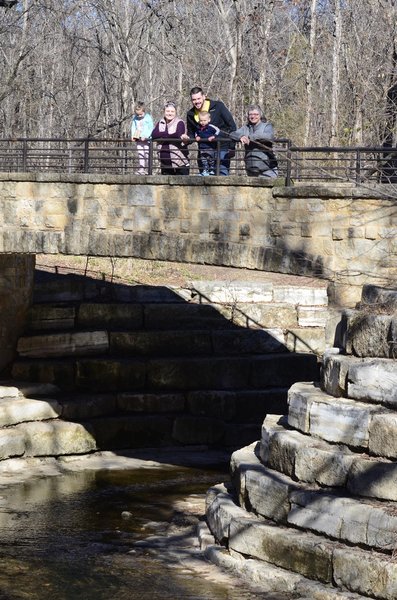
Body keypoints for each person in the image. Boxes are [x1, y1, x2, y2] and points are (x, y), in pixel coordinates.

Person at [182, 86, 236, 176]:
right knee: (204, 181)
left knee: (221, 178)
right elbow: (191, 133)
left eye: (199, 98)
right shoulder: (190, 114)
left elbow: (232, 126)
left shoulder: (218, 106)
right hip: (204, 151)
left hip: (221, 148)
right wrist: (187, 139)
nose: (197, 102)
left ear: (204, 96)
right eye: (194, 100)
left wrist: (232, 147)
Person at [230, 105, 278, 178]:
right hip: (251, 169)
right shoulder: (245, 128)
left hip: (267, 169)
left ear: (260, 115)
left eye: (256, 114)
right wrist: (241, 137)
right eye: (250, 114)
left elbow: (269, 136)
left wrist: (251, 137)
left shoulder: (267, 126)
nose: (253, 117)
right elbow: (232, 134)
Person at [151, 101, 189, 175]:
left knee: (181, 186)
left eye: (172, 111)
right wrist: (169, 134)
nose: (170, 113)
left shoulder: (179, 122)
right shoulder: (160, 122)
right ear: (164, 112)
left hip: (179, 163)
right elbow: (154, 135)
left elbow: (178, 135)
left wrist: (162, 135)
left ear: (175, 112)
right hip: (164, 164)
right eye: (167, 111)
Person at [131, 101, 154, 174]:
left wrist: (146, 136)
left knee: (147, 154)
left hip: (147, 140)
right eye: (137, 115)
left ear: (144, 111)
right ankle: (141, 169)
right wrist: (133, 136)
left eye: (141, 114)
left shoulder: (148, 117)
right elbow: (133, 127)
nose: (139, 116)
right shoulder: (135, 118)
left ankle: (148, 169)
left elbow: (151, 128)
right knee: (140, 154)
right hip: (138, 139)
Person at [194, 111, 220, 176]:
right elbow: (196, 133)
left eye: (204, 120)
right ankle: (205, 171)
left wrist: (214, 136)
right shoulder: (198, 127)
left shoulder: (211, 127)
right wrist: (197, 137)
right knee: (203, 160)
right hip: (202, 147)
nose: (203, 122)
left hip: (210, 147)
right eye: (201, 120)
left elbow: (218, 131)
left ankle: (212, 170)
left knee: (211, 159)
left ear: (209, 120)